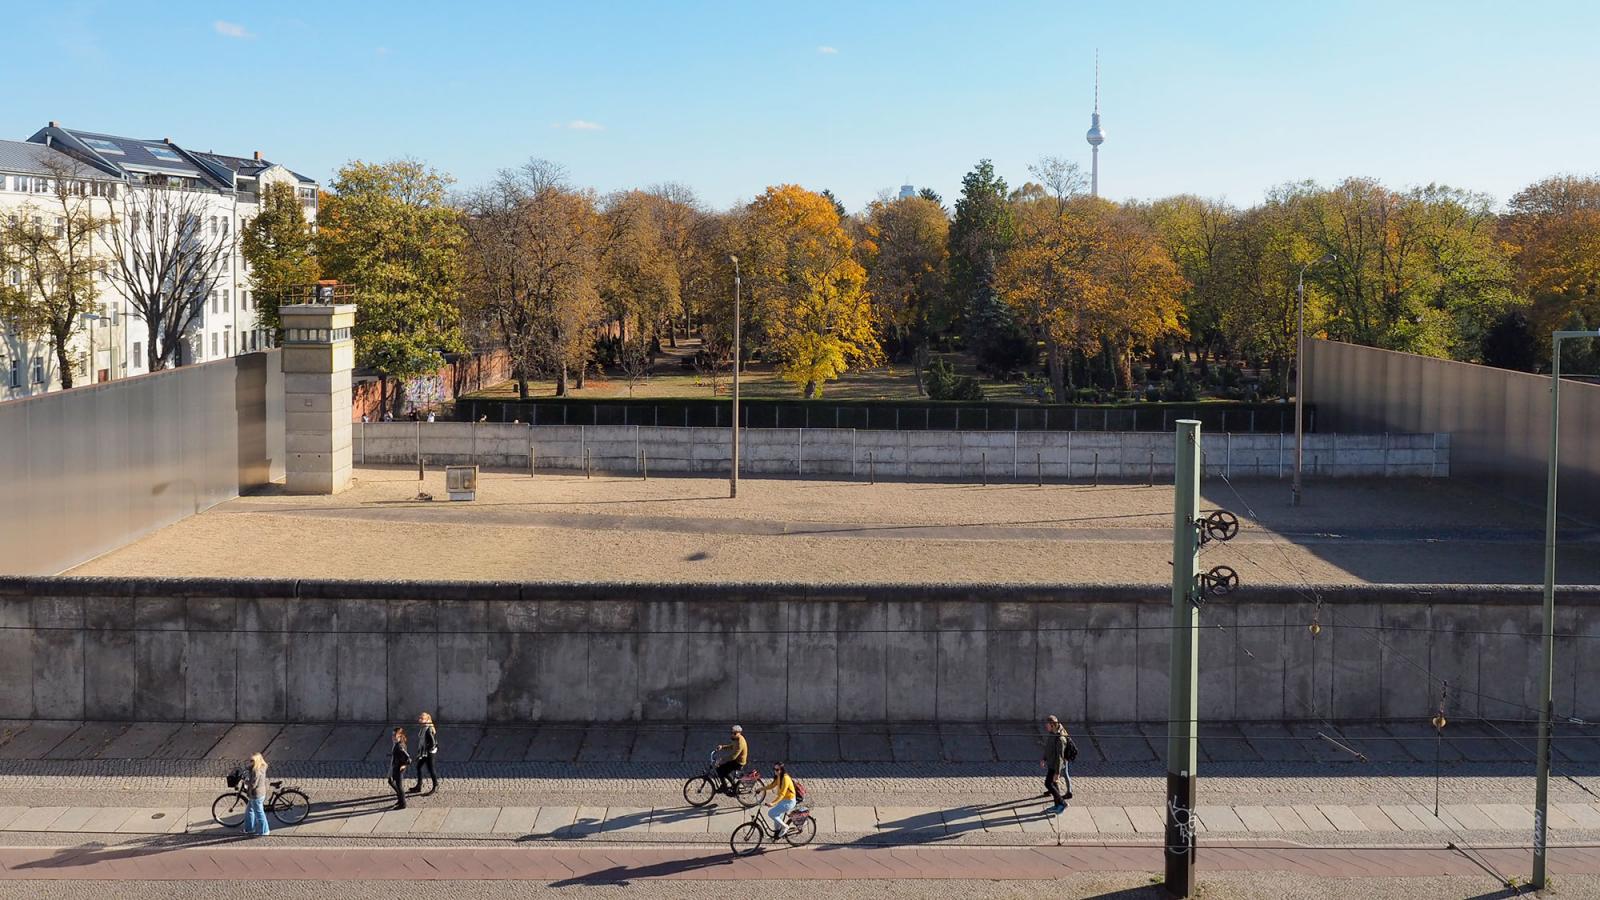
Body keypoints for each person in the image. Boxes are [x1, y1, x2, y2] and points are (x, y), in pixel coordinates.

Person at [1041, 715, 1074, 815]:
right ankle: (1057, 805)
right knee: (1055, 785)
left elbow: (1060, 757)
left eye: (1047, 725)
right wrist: (1044, 758)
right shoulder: (1052, 733)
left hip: (1055, 765)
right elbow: (1048, 748)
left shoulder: (1060, 739)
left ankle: (1062, 803)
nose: (1046, 727)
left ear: (1052, 725)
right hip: (1051, 762)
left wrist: (1057, 772)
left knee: (1048, 783)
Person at [759, 762, 798, 836]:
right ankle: (776, 835)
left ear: (781, 770)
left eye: (777, 769)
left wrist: (772, 803)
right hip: (783, 800)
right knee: (776, 816)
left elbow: (782, 794)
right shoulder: (779, 776)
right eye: (774, 769)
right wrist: (761, 789)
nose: (775, 771)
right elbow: (772, 785)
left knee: (771, 813)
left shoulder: (785, 778)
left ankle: (785, 827)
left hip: (789, 802)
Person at [409, 712, 439, 795]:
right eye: (420, 718)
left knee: (431, 769)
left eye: (421, 719)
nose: (419, 720)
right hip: (424, 752)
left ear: (427, 720)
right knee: (418, 767)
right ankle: (419, 785)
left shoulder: (428, 729)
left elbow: (433, 743)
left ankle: (435, 786)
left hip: (429, 753)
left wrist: (428, 751)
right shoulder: (424, 727)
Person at [714, 725, 748, 793]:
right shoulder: (736, 739)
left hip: (739, 762)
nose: (732, 734)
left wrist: (721, 760)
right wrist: (722, 747)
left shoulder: (740, 743)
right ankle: (733, 785)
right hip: (736, 760)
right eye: (732, 733)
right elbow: (731, 746)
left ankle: (725, 787)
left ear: (739, 733)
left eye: (735, 733)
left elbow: (733, 757)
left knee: (720, 770)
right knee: (723, 770)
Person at [243, 752, 270, 836]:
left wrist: (245, 781)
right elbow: (250, 767)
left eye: (252, 760)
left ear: (257, 761)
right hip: (261, 792)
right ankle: (249, 828)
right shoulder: (262, 766)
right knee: (249, 811)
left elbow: (253, 784)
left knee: (259, 813)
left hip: (255, 794)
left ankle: (264, 831)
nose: (250, 761)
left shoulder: (256, 771)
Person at [388, 727, 411, 810]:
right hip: (395, 766)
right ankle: (400, 800)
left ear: (400, 736)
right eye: (392, 735)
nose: (393, 737)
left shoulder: (400, 746)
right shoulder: (397, 744)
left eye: (395, 735)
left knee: (399, 786)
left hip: (398, 768)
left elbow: (408, 759)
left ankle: (403, 803)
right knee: (392, 781)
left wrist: (404, 765)